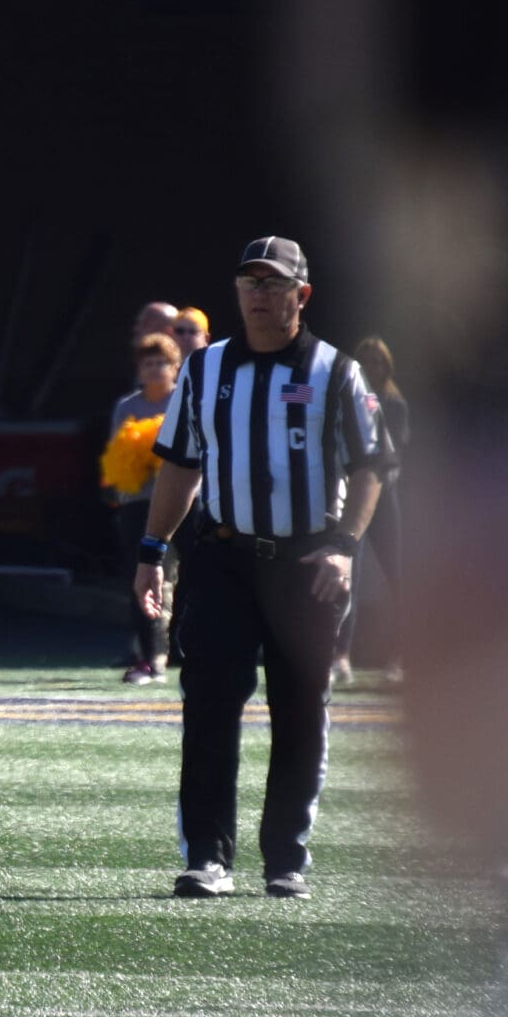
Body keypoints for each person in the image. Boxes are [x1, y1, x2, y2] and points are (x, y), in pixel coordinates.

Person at [136, 236, 395, 901]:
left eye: (272, 284)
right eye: (249, 282)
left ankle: (286, 858)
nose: (258, 294)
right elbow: (180, 465)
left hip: (306, 562)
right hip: (224, 556)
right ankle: (207, 855)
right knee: (210, 706)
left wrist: (342, 546)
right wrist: (152, 551)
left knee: (300, 710)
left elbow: (371, 468)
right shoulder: (205, 368)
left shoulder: (337, 372)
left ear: (300, 296)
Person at [102, 332, 182, 684]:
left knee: (179, 580)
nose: (154, 369)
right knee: (144, 579)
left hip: (182, 505)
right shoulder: (127, 407)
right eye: (147, 363)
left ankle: (175, 652)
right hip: (137, 505)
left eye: (161, 362)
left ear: (175, 367)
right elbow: (116, 458)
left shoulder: (184, 402)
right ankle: (151, 657)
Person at [333, 335, 409, 686]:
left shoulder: (394, 404)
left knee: (399, 574)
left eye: (377, 361)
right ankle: (340, 656)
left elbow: (390, 450)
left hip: (385, 495)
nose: (371, 367)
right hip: (354, 495)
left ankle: (400, 656)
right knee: (349, 574)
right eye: (364, 361)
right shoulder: (346, 400)